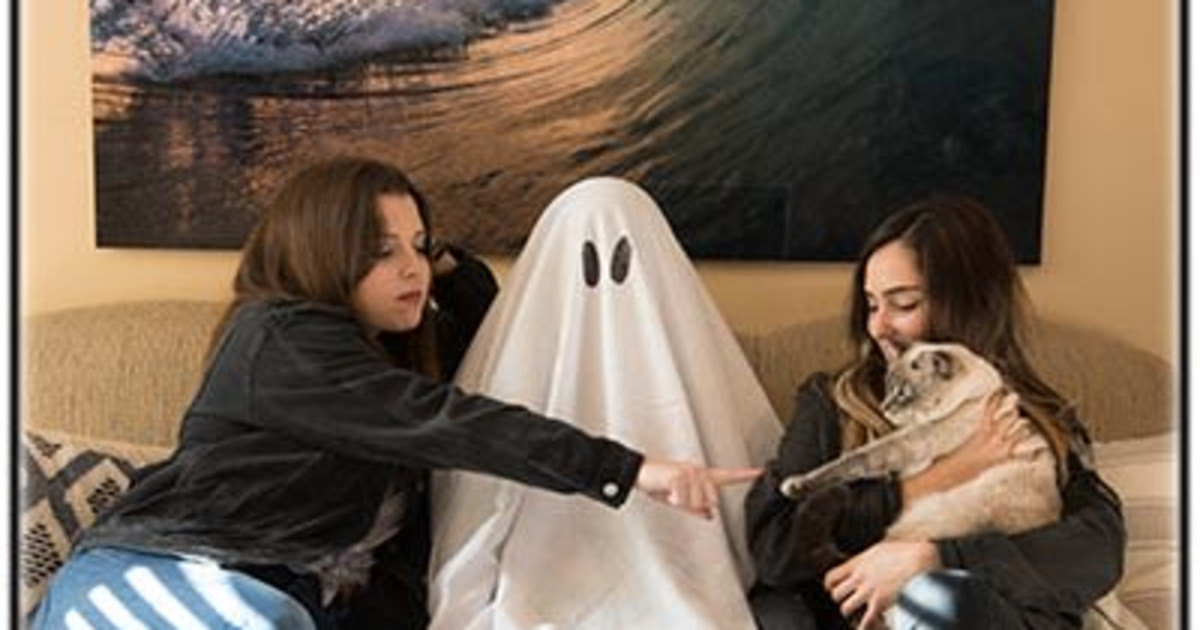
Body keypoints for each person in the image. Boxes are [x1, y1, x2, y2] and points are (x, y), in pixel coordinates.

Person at [30, 157, 761, 630]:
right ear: (322, 251)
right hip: (181, 571)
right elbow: (451, 421)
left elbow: (510, 351)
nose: (410, 268)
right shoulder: (282, 338)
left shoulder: (390, 347)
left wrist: (448, 269)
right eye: (382, 252)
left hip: (288, 599)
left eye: (418, 244)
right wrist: (631, 469)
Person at [744, 194, 1125, 629]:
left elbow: (1097, 549)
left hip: (997, 617)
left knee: (948, 598)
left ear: (969, 303)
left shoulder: (1036, 416)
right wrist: (934, 479)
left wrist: (936, 557)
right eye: (872, 305)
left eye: (904, 304)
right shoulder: (834, 402)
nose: (878, 327)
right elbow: (775, 548)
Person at [426, 177, 782, 629]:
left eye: (623, 262)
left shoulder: (693, 355)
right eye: (587, 264)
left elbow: (753, 476)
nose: (607, 289)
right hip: (541, 570)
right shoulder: (518, 359)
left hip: (682, 566)